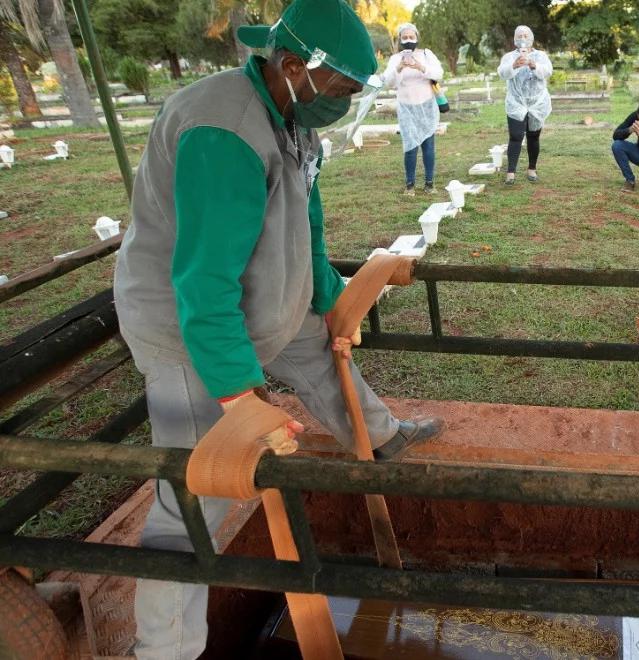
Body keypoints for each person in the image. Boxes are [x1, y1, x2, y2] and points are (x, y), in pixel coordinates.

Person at [112, 0, 444, 656]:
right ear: (293, 65)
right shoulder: (224, 131)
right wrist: (240, 401)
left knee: (324, 354)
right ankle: (163, 649)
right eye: (343, 87)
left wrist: (331, 300)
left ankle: (380, 437)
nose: (346, 100)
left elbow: (308, 220)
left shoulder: (290, 113)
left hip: (262, 301)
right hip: (190, 333)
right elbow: (203, 287)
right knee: (197, 495)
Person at [382, 22, 444, 195]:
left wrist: (420, 66)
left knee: (428, 145)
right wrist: (400, 68)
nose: (408, 40)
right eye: (405, 37)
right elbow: (389, 82)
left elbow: (439, 73)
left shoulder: (426, 54)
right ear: (400, 40)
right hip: (406, 108)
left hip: (426, 107)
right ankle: (410, 185)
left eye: (411, 37)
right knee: (410, 146)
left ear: (417, 38)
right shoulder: (395, 59)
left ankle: (429, 183)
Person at [497, 25, 552, 185]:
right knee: (515, 136)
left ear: (531, 38)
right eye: (519, 35)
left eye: (526, 35)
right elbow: (502, 73)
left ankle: (532, 168)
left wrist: (533, 65)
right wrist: (514, 65)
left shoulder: (540, 55)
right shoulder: (509, 57)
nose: (523, 38)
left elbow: (547, 72)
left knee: (533, 136)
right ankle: (511, 172)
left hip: (537, 103)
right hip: (516, 102)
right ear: (515, 39)